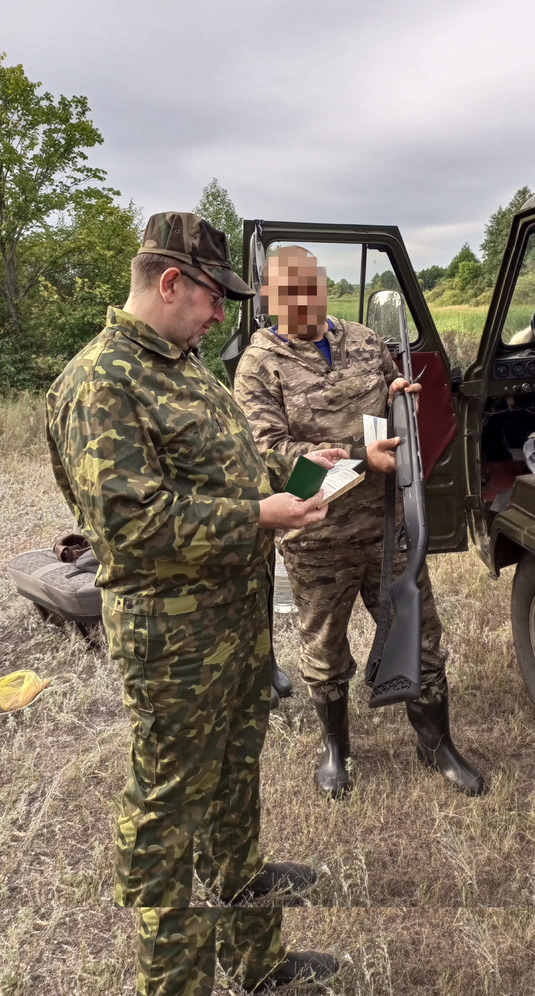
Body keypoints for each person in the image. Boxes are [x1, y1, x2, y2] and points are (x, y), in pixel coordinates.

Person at [46, 215, 340, 994]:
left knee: (234, 790)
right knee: (169, 820)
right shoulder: (101, 382)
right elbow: (131, 524)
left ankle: (257, 964)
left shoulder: (181, 364)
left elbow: (234, 465)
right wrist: (258, 516)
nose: (222, 316)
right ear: (172, 283)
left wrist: (297, 467)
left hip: (233, 636)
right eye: (215, 299)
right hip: (174, 651)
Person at [233, 245, 487, 799]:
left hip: (386, 526)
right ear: (271, 300)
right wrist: (357, 454)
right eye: (291, 296)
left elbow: (390, 399)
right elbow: (269, 451)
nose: (307, 305)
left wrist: (398, 397)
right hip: (314, 533)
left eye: (313, 289)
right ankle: (336, 750)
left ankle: (438, 744)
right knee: (325, 651)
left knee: (421, 639)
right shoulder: (259, 365)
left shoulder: (365, 340)